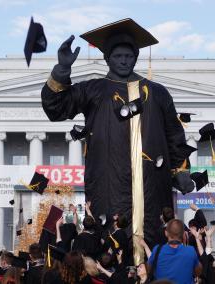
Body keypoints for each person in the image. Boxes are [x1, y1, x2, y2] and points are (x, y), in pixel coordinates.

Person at [41, 18, 195, 264]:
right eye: (118, 56)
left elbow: (175, 135)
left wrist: (181, 169)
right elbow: (55, 108)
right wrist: (62, 70)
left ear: (135, 57)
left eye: (128, 55)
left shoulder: (157, 92)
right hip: (108, 183)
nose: (124, 60)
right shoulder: (94, 90)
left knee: (152, 243)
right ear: (107, 59)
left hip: (152, 185)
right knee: (111, 243)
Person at [148, 219, 201, 283]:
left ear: (166, 233)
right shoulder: (190, 251)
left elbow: (149, 269)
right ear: (183, 234)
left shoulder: (157, 250)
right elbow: (198, 271)